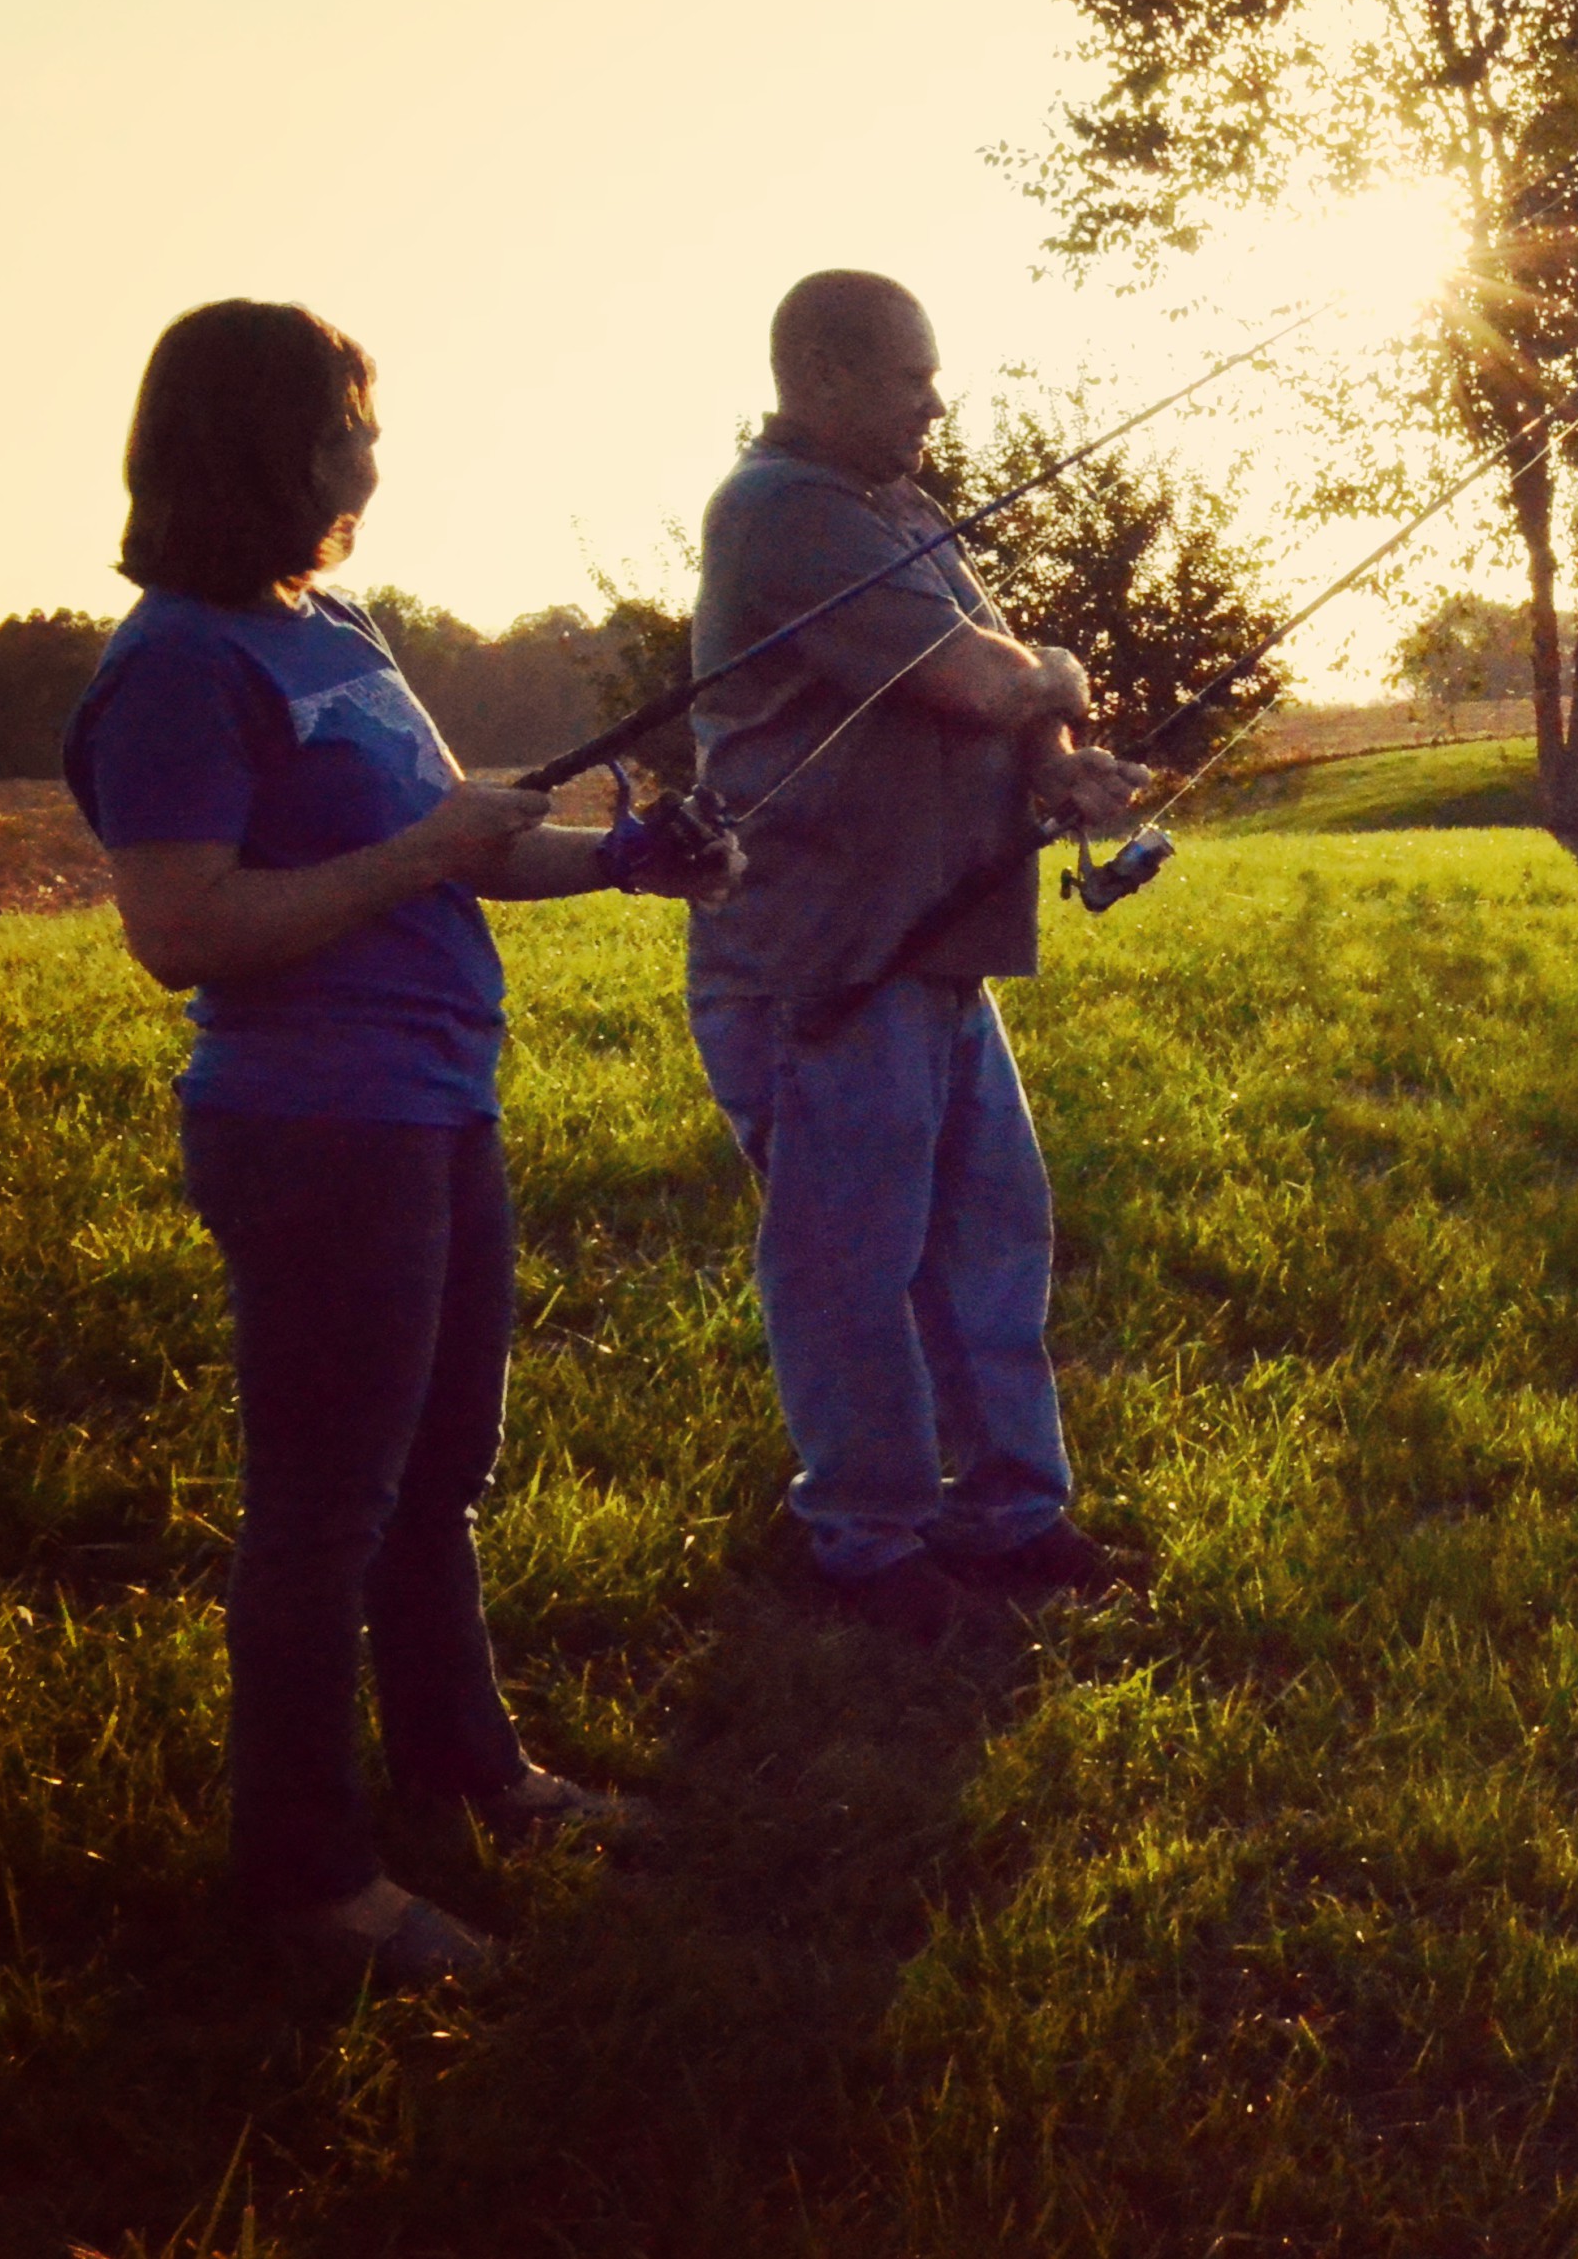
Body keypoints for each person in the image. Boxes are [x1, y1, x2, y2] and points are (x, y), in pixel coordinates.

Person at [64, 299, 740, 1987]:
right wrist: (425, 850)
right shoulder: (176, 662)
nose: (376, 451)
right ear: (271, 440)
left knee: (436, 1477)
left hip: (437, 1104)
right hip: (313, 1129)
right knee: (323, 1506)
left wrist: (622, 858)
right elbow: (184, 925)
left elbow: (469, 848)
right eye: (353, 421)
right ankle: (309, 1878)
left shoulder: (333, 624)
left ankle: (471, 1765)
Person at [683, 271, 1153, 1641]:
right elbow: (986, 676)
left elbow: (1012, 705)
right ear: (820, 377)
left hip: (936, 946)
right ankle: (869, 1539)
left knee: (990, 1235)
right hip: (826, 958)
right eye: (910, 377)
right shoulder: (781, 513)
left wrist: (1060, 767)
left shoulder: (909, 515)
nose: (936, 403)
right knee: (851, 1259)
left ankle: (1008, 1511)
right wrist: (1053, 678)